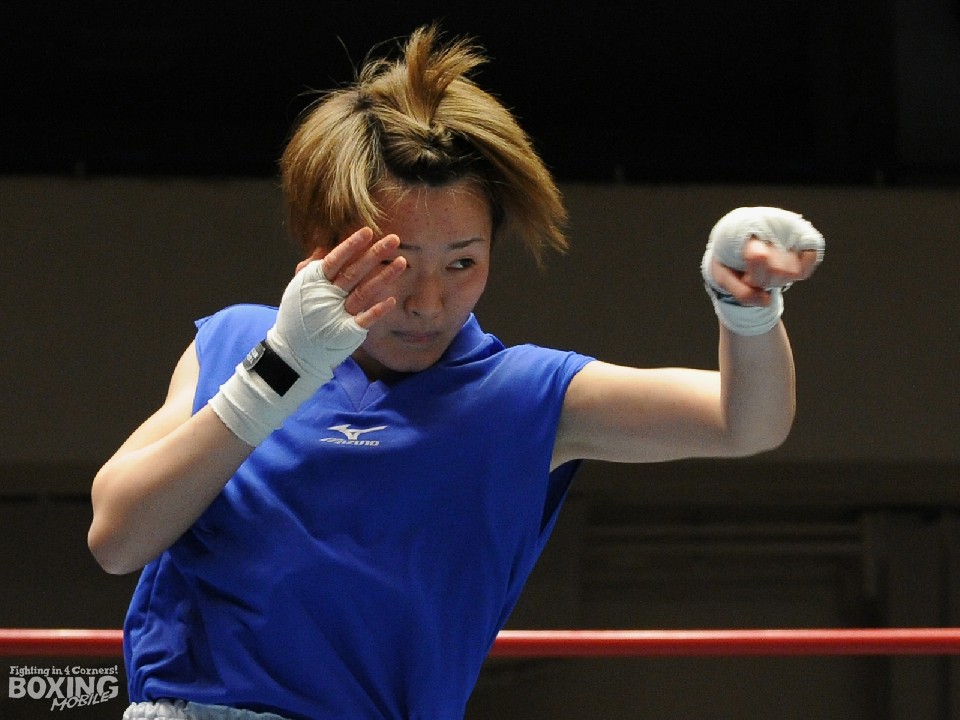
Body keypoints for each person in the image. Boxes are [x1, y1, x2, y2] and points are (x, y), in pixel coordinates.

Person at [87, 24, 825, 720]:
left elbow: (745, 423)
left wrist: (747, 309)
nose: (428, 301)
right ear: (324, 245)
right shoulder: (240, 342)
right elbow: (115, 537)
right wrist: (281, 369)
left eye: (463, 263)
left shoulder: (519, 396)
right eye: (398, 261)